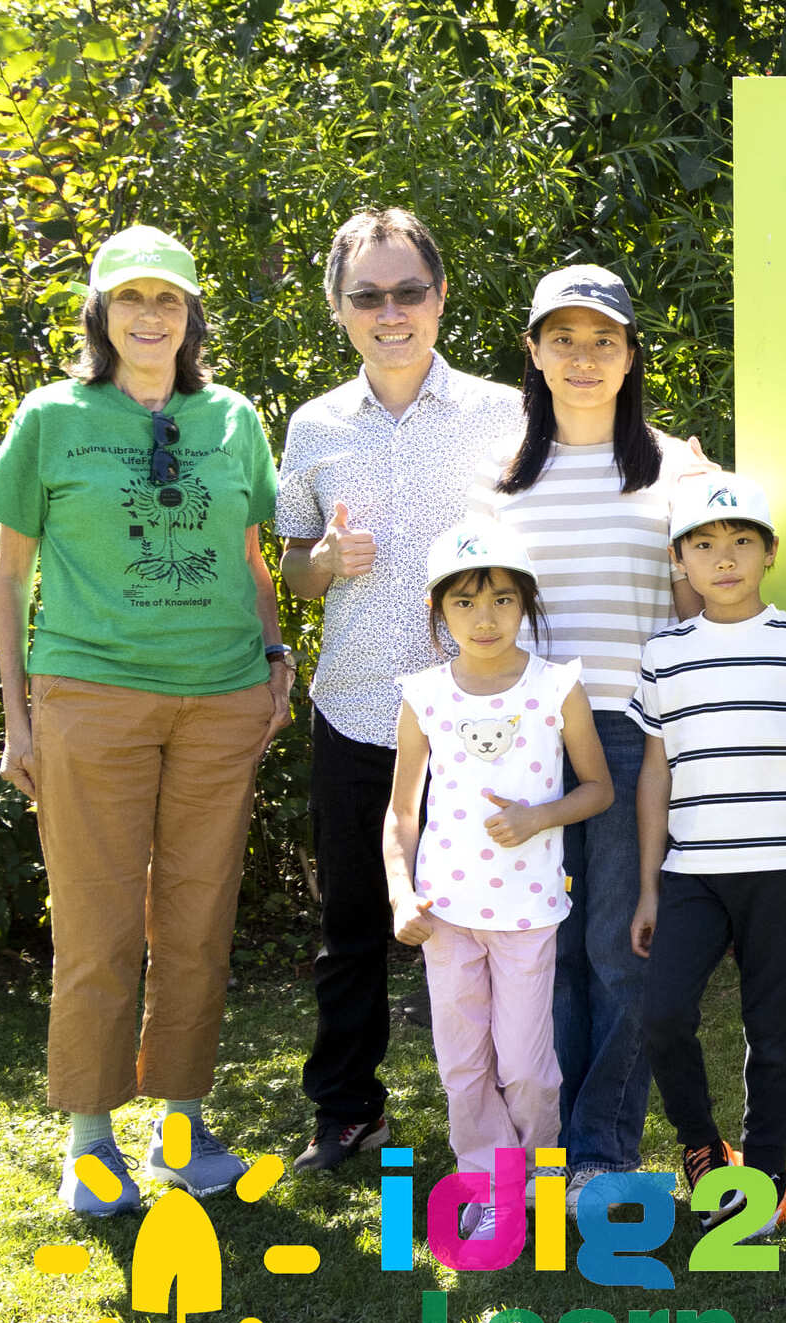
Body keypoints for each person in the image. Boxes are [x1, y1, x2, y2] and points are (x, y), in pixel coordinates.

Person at [0, 226, 296, 1213]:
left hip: (221, 699)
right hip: (90, 695)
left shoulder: (232, 419)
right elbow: (9, 578)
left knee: (199, 919)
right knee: (97, 923)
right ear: (101, 313)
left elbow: (252, 558)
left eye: (167, 299)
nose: (149, 316)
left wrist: (275, 659)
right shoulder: (52, 417)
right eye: (130, 298)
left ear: (190, 315)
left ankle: (182, 1131)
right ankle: (89, 1143)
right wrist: (19, 718)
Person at [278, 207, 527, 1174]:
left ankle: (510, 1114)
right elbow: (294, 565)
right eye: (368, 295)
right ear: (340, 308)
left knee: (499, 924)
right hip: (357, 706)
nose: (391, 313)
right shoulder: (315, 425)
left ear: (441, 296)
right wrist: (324, 562)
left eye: (409, 291)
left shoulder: (506, 413)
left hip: (481, 717)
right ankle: (347, 1111)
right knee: (351, 927)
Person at [489, 264, 707, 1207]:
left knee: (621, 947)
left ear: (630, 357)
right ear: (534, 354)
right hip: (527, 740)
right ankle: (549, 1143)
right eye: (564, 340)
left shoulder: (676, 472)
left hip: (630, 734)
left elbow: (698, 608)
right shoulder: (498, 480)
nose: (584, 358)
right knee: (547, 949)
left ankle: (602, 1151)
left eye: (604, 340)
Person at [628, 472, 786, 1240]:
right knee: (663, 1013)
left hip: (782, 866)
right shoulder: (664, 653)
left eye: (740, 542)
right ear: (680, 561)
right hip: (692, 871)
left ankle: (764, 1176)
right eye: (703, 545)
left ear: (769, 553)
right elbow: (655, 772)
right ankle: (703, 1147)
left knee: (776, 1029)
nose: (723, 558)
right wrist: (649, 887)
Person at [382, 515, 611, 1241]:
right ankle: (490, 1188)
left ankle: (539, 1177)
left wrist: (541, 817)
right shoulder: (424, 695)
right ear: (438, 610)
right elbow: (401, 812)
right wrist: (400, 894)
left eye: (503, 600)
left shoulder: (556, 687)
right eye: (465, 602)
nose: (485, 618)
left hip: (528, 912)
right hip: (444, 914)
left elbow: (599, 788)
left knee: (527, 1067)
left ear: (526, 604)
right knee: (463, 1064)